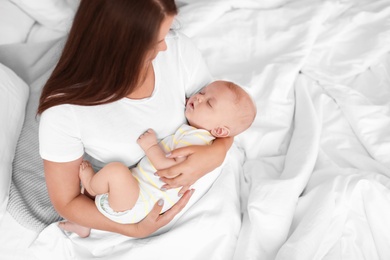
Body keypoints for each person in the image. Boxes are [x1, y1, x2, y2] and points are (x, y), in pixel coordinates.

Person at [37, 0, 234, 238]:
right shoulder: (64, 112)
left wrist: (217, 153)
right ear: (119, 48)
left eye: (167, 32)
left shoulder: (178, 50)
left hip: (209, 195)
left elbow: (223, 118)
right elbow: (67, 202)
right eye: (156, 42)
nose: (164, 48)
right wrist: (134, 230)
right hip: (137, 208)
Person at [57, 80, 257, 237]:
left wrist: (151, 146)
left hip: (137, 204)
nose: (198, 98)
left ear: (220, 130)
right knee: (118, 177)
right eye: (202, 92)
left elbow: (167, 169)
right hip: (137, 193)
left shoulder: (198, 141)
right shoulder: (198, 134)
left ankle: (92, 185)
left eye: (209, 103)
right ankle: (82, 225)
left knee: (116, 171)